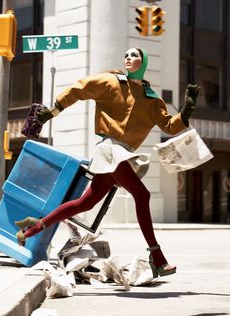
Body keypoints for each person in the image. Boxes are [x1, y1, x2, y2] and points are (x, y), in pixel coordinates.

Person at [15, 47, 199, 279]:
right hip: (110, 149)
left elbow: (169, 126)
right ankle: (157, 257)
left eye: (135, 56)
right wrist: (52, 112)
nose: (129, 58)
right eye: (127, 55)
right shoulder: (111, 82)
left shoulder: (152, 99)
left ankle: (30, 229)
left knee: (86, 203)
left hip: (121, 153)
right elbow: (79, 89)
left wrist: (186, 111)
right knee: (142, 196)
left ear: (143, 63)